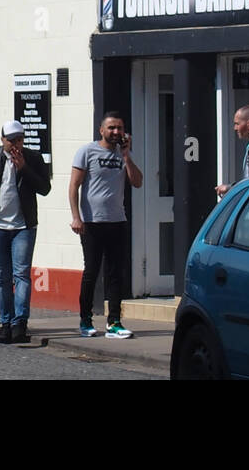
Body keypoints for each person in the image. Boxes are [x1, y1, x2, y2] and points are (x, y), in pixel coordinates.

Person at [0, 120, 52, 344]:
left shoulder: (33, 158)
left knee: (22, 274)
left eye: (20, 139)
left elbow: (45, 189)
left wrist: (23, 167)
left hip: (23, 226)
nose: (16, 144)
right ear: (2, 140)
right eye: (11, 140)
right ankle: (5, 324)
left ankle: (19, 324)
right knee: (2, 277)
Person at [69, 112, 142, 339]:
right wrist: (76, 217)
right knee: (91, 271)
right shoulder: (87, 151)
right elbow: (74, 186)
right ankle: (85, 320)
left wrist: (127, 157)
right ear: (101, 130)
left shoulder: (123, 155)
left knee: (115, 273)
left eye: (119, 128)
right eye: (111, 127)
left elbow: (137, 182)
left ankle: (114, 322)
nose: (116, 132)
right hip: (92, 222)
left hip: (117, 221)